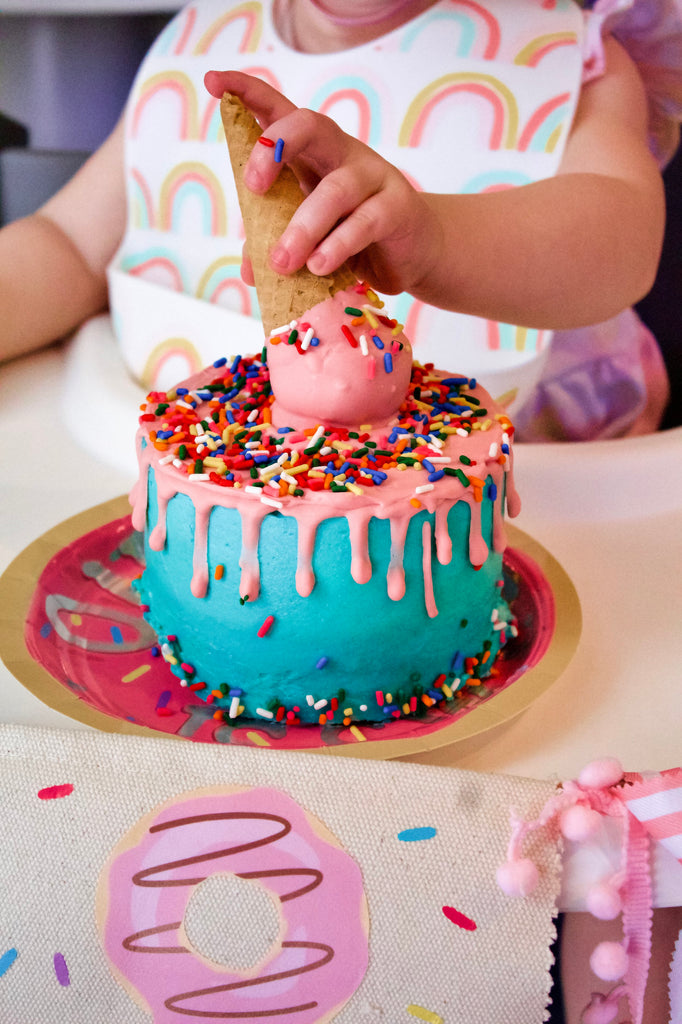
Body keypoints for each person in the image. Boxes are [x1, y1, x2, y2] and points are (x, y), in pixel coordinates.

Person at [1, 0, 681, 442]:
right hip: (221, 518)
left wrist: (439, 242)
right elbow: (67, 248)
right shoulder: (197, 50)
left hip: (536, 504)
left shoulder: (571, 58)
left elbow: (622, 241)